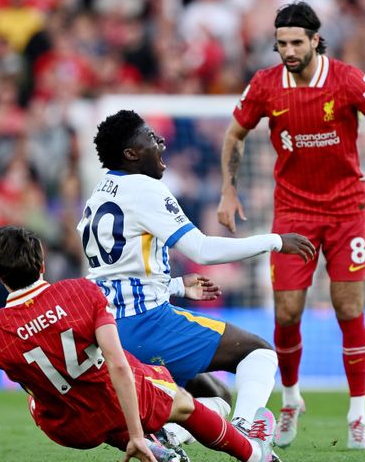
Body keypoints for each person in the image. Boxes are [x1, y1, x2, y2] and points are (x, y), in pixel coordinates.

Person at [215, 1, 365, 450]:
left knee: (348, 309)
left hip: (347, 213)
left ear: (315, 40)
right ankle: (289, 401)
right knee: (286, 313)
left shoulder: (346, 79)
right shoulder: (265, 85)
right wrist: (230, 190)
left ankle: (357, 414)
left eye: (296, 43)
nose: (287, 50)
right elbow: (234, 134)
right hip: (293, 215)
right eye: (281, 43)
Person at [0, 225, 278, 462]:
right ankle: (253, 454)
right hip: (118, 399)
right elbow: (119, 363)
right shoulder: (80, 292)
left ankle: (152, 444)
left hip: (68, 427)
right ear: (42, 262)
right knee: (183, 401)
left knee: (36, 396)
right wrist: (138, 434)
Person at [78, 109, 315, 446]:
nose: (159, 141)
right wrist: (275, 241)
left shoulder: (99, 194)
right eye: (149, 137)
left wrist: (176, 286)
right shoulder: (144, 188)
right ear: (130, 154)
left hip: (109, 330)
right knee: (259, 354)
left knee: (216, 396)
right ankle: (246, 431)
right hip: (148, 325)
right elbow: (202, 250)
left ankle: (168, 435)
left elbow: (110, 273)